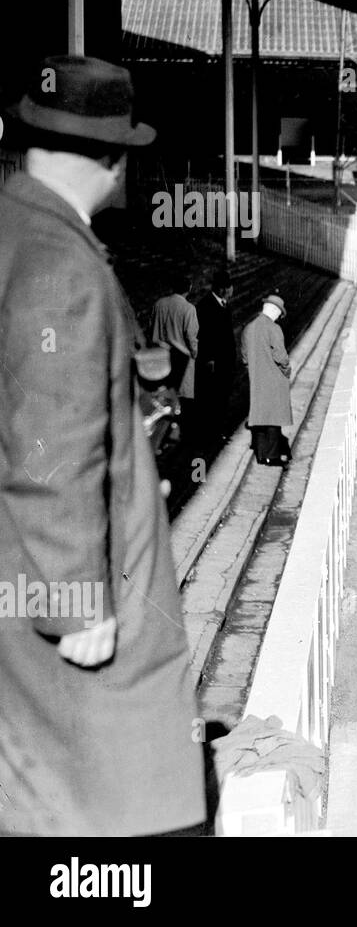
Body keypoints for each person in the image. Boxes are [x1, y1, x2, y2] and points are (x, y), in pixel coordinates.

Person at [0, 54, 205, 835]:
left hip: (21, 569)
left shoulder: (18, 228)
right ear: (115, 160)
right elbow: (47, 443)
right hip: (69, 579)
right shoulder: (61, 263)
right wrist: (75, 599)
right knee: (118, 799)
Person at [147, 270, 200, 446]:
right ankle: (175, 435)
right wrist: (195, 354)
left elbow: (150, 329)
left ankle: (160, 435)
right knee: (181, 400)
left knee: (160, 397)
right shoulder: (189, 309)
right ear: (189, 289)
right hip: (181, 360)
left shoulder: (159, 304)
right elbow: (192, 337)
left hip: (159, 358)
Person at [241, 294, 292, 466]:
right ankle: (273, 456)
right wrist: (287, 371)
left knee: (260, 417)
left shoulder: (249, 328)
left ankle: (261, 455)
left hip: (256, 378)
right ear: (275, 310)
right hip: (274, 378)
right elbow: (281, 356)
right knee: (273, 418)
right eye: (279, 313)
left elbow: (245, 357)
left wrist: (253, 372)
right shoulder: (274, 328)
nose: (279, 317)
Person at [195, 267, 237, 455]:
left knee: (222, 398)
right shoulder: (205, 306)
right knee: (212, 399)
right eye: (229, 288)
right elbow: (204, 335)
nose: (231, 291)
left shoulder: (224, 304)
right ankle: (208, 437)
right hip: (213, 363)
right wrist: (210, 358)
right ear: (222, 289)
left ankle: (217, 434)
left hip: (224, 361)